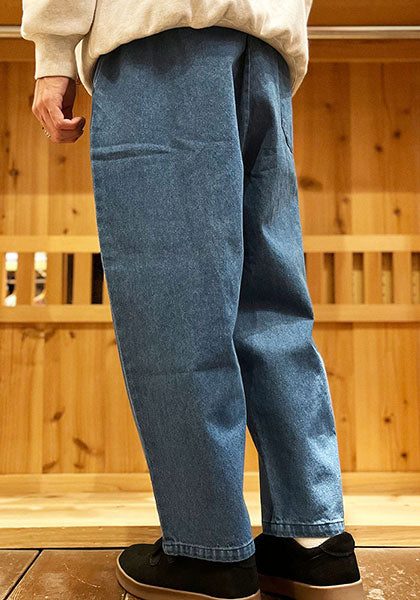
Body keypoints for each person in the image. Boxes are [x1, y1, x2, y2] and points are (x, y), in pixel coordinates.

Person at [21, 2, 365, 599]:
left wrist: (54, 53)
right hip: (266, 50)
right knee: (271, 307)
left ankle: (208, 550)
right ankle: (312, 542)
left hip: (160, 41)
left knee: (174, 304)